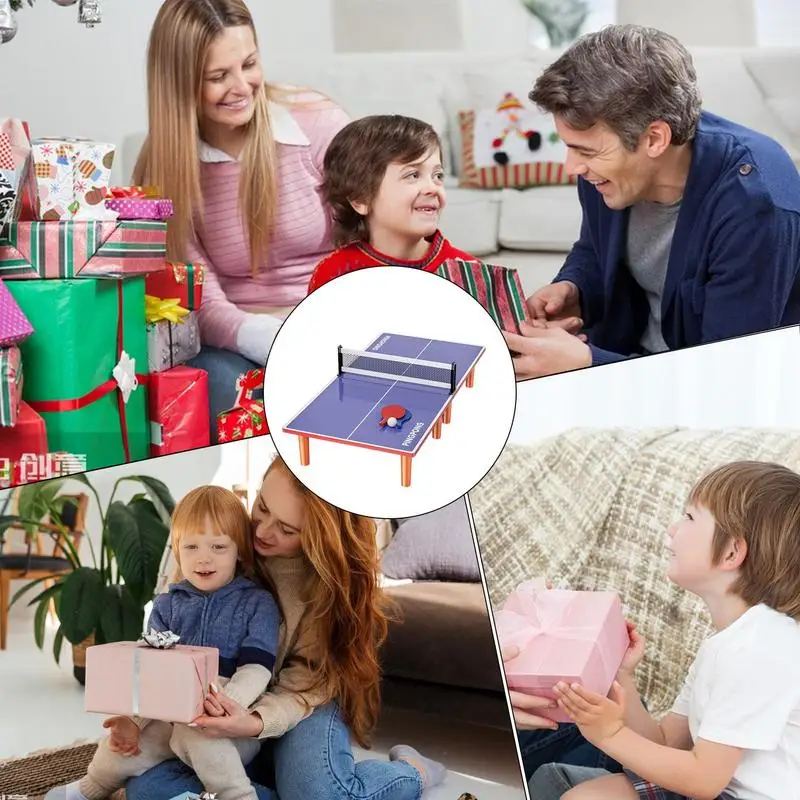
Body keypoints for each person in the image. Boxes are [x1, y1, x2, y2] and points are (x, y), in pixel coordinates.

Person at [125, 455, 447, 800]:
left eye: (287, 529)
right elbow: (169, 638)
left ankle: (411, 772)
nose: (262, 531)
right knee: (147, 790)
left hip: (301, 704)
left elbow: (307, 686)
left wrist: (255, 722)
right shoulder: (212, 542)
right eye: (262, 507)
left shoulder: (325, 587)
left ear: (320, 536)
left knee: (320, 794)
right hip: (221, 712)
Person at [504, 24, 800, 380]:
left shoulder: (755, 205)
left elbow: (727, 377)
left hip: (713, 390)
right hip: (632, 360)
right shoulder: (605, 171)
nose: (572, 167)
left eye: (585, 150)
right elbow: (594, 250)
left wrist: (589, 364)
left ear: (655, 139)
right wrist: (575, 286)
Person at [133, 0, 349, 437]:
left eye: (249, 64)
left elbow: (380, 230)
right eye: (217, 77)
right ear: (180, 84)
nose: (242, 86)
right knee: (225, 391)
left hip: (335, 318)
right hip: (240, 336)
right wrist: (265, 338)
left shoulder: (316, 122)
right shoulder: (164, 167)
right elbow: (200, 301)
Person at [530, 461, 800, 799]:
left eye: (689, 517)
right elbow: (665, 743)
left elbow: (704, 780)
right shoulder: (725, 644)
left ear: (732, 551)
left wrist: (610, 734)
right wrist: (621, 673)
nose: (672, 528)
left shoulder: (759, 647)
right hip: (713, 789)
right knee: (555, 783)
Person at [46, 486, 281, 800]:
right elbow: (149, 672)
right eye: (191, 546)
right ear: (178, 549)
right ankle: (91, 789)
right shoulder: (168, 605)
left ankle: (239, 795)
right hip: (169, 713)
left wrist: (224, 707)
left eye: (218, 547)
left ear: (240, 550)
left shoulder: (257, 603)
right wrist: (133, 721)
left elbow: (256, 669)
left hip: (228, 721)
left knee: (200, 740)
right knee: (122, 745)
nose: (204, 558)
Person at [306, 115, 474, 292]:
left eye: (437, 176)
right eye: (413, 175)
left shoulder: (469, 276)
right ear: (360, 199)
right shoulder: (334, 275)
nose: (432, 188)